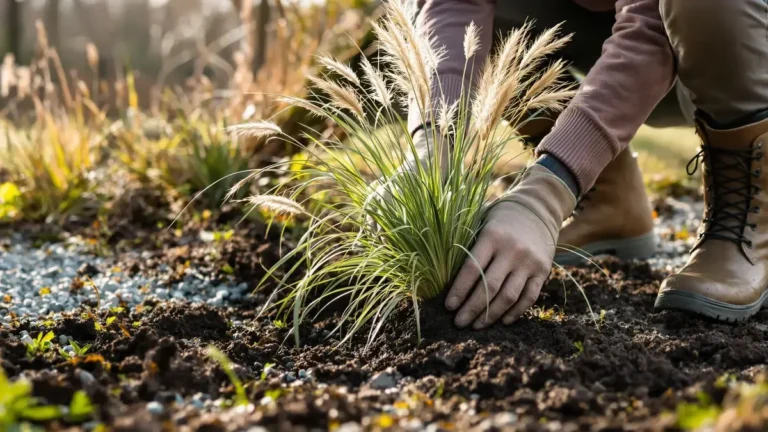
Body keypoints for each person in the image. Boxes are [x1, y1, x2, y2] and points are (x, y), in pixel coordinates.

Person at [406, 0, 768, 329]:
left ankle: (751, 214)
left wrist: (544, 195)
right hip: (645, 35)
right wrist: (434, 143)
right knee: (503, 15)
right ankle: (608, 199)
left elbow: (650, 28)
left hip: (735, 35)